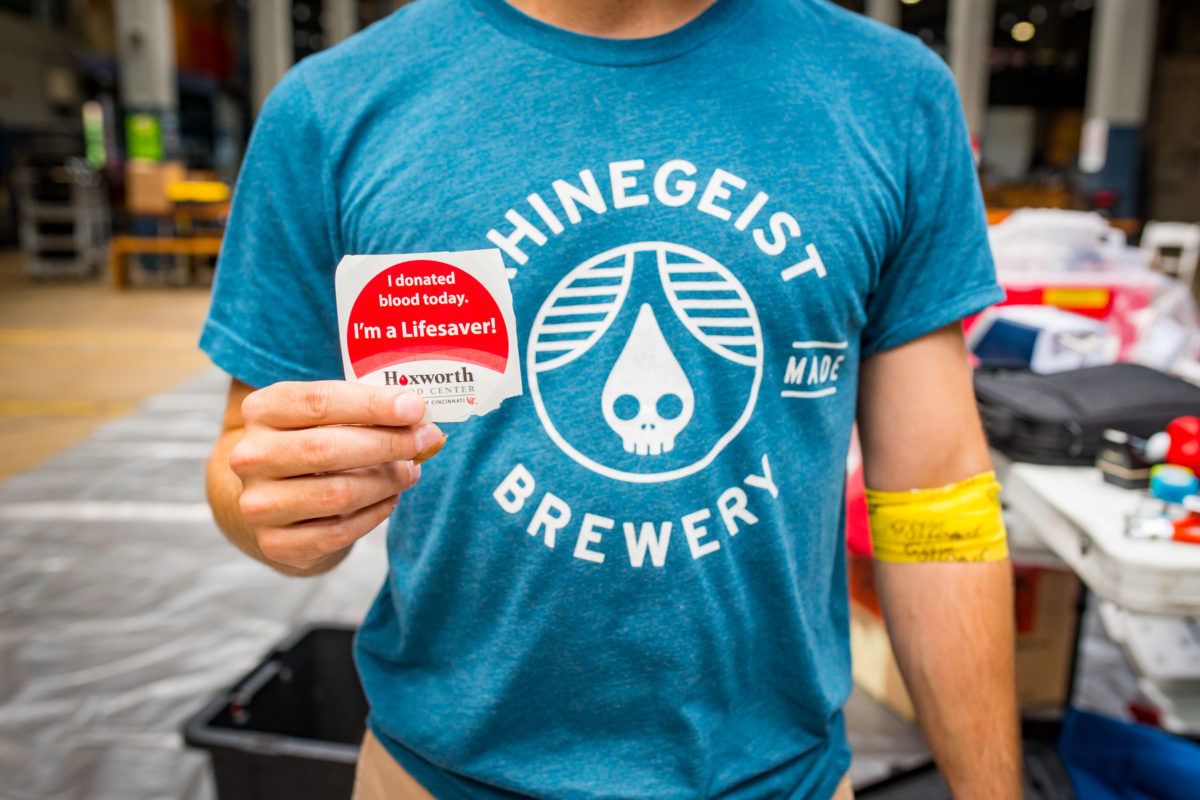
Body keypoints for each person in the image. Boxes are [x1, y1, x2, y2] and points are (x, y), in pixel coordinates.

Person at [202, 0, 1020, 797]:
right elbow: (247, 451)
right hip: (436, 777)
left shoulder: (889, 92)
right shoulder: (335, 107)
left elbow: (936, 497)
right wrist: (286, 500)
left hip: (783, 779)